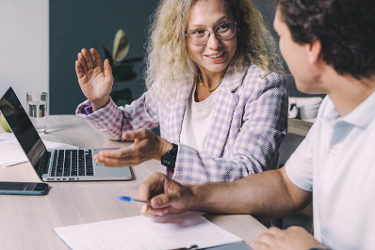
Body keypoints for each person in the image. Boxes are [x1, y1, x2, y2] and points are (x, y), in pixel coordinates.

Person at [136, 0, 375, 249]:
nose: (279, 48)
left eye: (282, 35)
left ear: (313, 48)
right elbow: (286, 187)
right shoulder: (333, 110)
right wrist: (191, 196)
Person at [75, 0, 288, 184]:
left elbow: (249, 175)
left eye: (222, 27)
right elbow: (126, 126)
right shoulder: (177, 80)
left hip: (234, 221)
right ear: (180, 37)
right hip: (176, 207)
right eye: (198, 32)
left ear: (238, 24)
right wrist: (100, 100)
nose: (214, 44)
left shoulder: (264, 86)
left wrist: (167, 153)